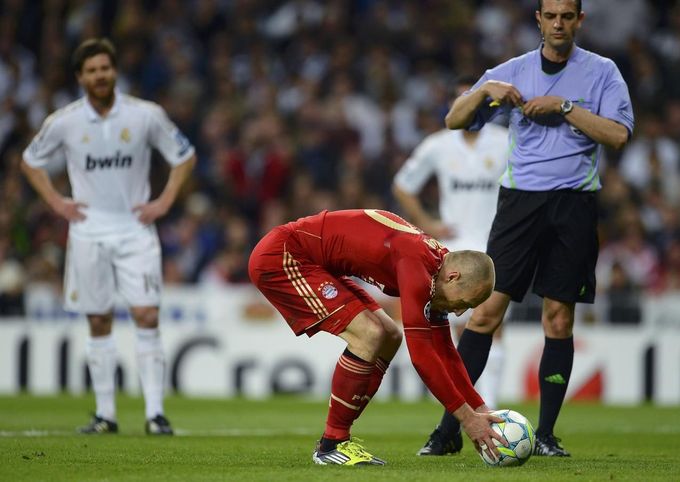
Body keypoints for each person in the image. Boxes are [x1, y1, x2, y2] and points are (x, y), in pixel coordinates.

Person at [424, 0, 634, 457]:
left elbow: (618, 135)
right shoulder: (511, 71)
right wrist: (483, 94)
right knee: (483, 314)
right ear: (538, 20)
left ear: (579, 20)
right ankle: (447, 431)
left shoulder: (602, 72)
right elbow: (453, 120)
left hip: (574, 205)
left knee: (558, 319)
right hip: (520, 205)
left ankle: (546, 435)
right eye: (550, 15)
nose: (558, 23)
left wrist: (564, 107)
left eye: (567, 16)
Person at [21, 38, 196, 435]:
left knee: (147, 314)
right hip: (88, 231)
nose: (100, 75)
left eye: (105, 68)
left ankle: (155, 414)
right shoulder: (64, 121)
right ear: (81, 77)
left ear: (114, 71)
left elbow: (184, 155)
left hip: (135, 229)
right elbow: (30, 162)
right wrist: (55, 201)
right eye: (92, 70)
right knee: (98, 319)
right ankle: (106, 415)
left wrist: (165, 199)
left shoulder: (145, 115)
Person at [248, 208, 507, 466]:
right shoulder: (416, 264)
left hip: (315, 263)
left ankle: (336, 440)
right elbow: (422, 357)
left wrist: (479, 408)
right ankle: (332, 444)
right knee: (369, 334)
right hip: (283, 256)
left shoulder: (436, 270)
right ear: (454, 277)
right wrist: (466, 419)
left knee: (389, 335)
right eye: (464, 302)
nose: (460, 311)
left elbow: (445, 350)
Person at [393, 75, 509, 456]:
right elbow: (403, 184)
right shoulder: (438, 145)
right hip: (451, 251)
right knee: (448, 330)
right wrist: (426, 223)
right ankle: (465, 409)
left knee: (490, 325)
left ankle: (486, 400)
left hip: (494, 248)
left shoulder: (505, 141)